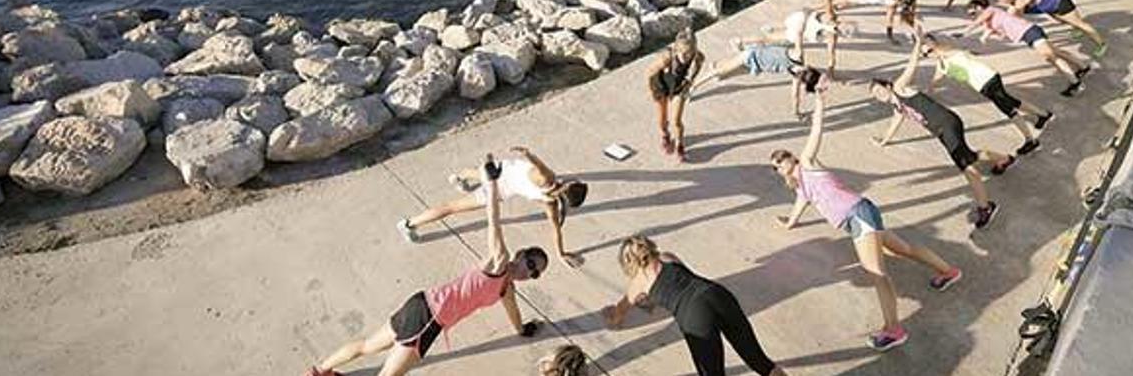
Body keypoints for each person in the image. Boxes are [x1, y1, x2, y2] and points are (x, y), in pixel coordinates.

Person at [308, 156, 549, 376]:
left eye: (535, 272)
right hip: (429, 317)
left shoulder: (507, 288)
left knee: (368, 346)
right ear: (519, 255)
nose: (529, 271)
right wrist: (493, 183)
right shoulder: (498, 262)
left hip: (422, 303)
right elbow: (493, 222)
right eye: (529, 263)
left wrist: (522, 330)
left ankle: (320, 371)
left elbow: (513, 312)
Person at [772, 88, 963, 352]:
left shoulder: (807, 163)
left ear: (792, 158)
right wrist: (789, 222)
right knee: (903, 250)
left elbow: (816, 132)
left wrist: (818, 101)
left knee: (876, 271)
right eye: (776, 165)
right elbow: (799, 207)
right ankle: (949, 271)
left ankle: (894, 330)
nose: (781, 165)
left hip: (857, 214)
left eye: (782, 160)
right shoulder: (801, 187)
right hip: (859, 217)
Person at [868, 31, 1015, 229]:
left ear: (887, 86)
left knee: (966, 166)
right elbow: (896, 123)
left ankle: (986, 206)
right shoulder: (897, 105)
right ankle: (1004, 159)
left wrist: (917, 44)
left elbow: (911, 67)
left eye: (879, 91)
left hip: (947, 124)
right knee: (970, 155)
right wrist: (884, 140)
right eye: (875, 96)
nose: (879, 96)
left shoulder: (900, 88)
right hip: (944, 128)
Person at [601, 236, 788, 376]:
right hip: (716, 294)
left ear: (628, 262)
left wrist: (613, 316)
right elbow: (680, 279)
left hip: (694, 316)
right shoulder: (668, 257)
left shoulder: (638, 284)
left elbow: (621, 311)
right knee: (759, 360)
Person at [397, 147, 589, 268]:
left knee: (474, 176)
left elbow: (539, 165)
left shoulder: (548, 179)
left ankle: (457, 178)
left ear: (568, 184)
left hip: (498, 170)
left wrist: (528, 154)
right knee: (452, 207)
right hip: (498, 185)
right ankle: (408, 223)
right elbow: (555, 229)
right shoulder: (551, 203)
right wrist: (560, 253)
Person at [921, 33, 1053, 155]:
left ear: (933, 47)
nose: (928, 55)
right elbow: (935, 80)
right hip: (982, 85)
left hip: (988, 79)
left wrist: (938, 49)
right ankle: (1043, 115)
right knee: (1010, 101)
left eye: (928, 51)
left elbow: (962, 53)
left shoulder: (951, 52)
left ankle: (1030, 140)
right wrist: (928, 92)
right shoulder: (941, 64)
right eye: (925, 55)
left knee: (1008, 109)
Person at [689, 11, 830, 119]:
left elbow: (798, 34)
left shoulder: (798, 58)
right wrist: (796, 113)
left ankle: (717, 68)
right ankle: (693, 86)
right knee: (719, 72)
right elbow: (795, 96)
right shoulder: (797, 74)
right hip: (752, 56)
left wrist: (805, 20)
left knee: (723, 75)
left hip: (756, 63)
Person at [956, 0, 1090, 97]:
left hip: (1029, 31)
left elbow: (978, 22)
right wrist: (986, 37)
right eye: (971, 15)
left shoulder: (990, 10)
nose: (973, 16)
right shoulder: (990, 22)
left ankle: (1076, 83)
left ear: (979, 7)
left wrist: (964, 32)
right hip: (1028, 34)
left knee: (1051, 57)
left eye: (973, 13)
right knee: (1055, 52)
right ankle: (1083, 66)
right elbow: (998, 34)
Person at [646, 28, 705, 161]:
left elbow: (697, 68)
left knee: (676, 121)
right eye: (683, 54)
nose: (686, 57)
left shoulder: (698, 57)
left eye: (689, 53)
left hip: (678, 87)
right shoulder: (666, 59)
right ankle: (665, 135)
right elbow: (650, 72)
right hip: (661, 86)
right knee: (662, 119)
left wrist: (689, 82)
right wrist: (652, 91)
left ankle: (680, 144)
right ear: (676, 50)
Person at [997, 0, 1107, 58]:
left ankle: (1101, 44)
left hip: (1059, 2)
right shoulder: (1013, 2)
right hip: (1050, 8)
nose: (1000, 2)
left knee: (1080, 23)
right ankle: (1076, 28)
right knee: (1062, 21)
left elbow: (1017, 15)